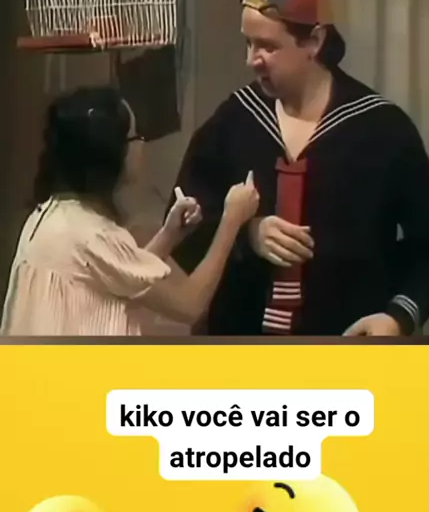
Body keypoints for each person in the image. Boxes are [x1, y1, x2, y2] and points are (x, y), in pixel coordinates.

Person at [167, 0, 429, 337]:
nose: (252, 60)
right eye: (249, 44)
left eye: (268, 46)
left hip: (344, 348)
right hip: (239, 346)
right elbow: (181, 221)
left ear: (314, 41)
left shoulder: (382, 129)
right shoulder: (234, 119)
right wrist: (246, 234)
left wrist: (397, 317)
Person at [1, 87, 259, 336]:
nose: (142, 145)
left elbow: (121, 274)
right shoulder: (92, 235)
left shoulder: (50, 215)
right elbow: (189, 305)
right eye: (136, 136)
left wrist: (170, 234)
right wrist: (232, 220)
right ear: (111, 153)